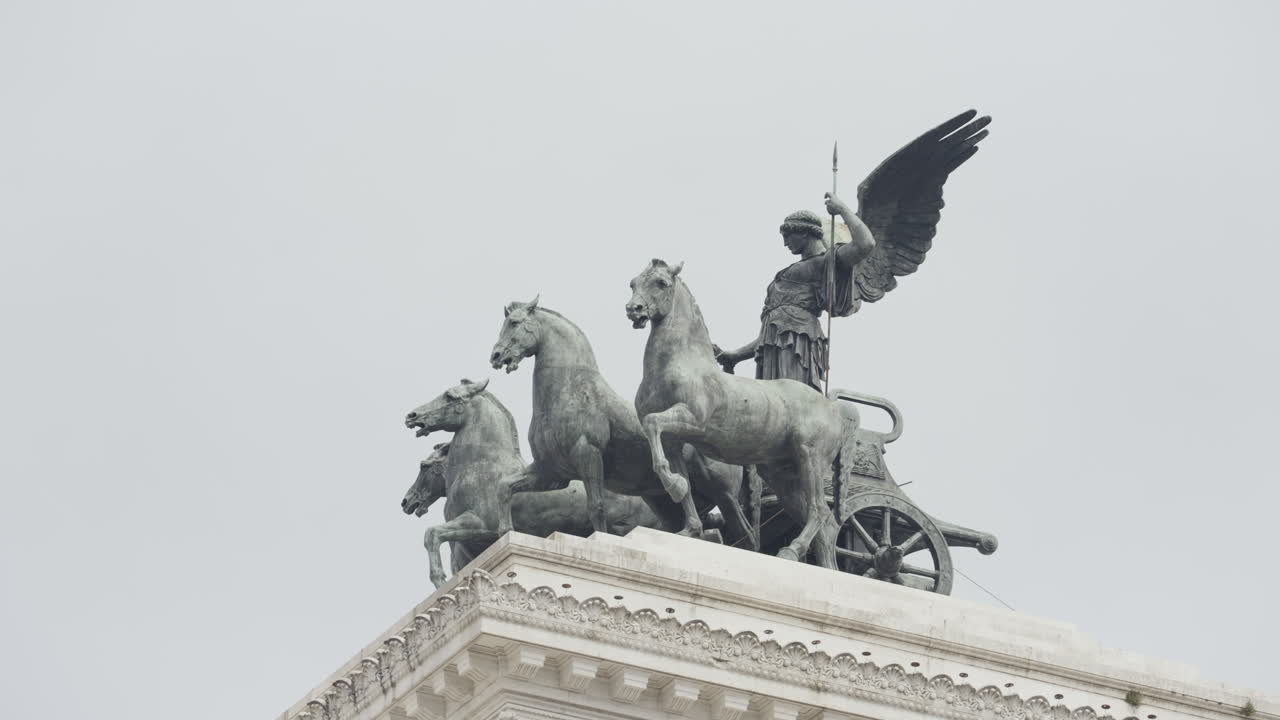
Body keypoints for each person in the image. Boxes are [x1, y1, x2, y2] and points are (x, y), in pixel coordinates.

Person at [715, 192, 875, 393]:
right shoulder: (786, 274)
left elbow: (866, 244)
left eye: (787, 236)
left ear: (804, 233)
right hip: (773, 353)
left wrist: (841, 208)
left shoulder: (825, 262)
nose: (785, 243)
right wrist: (736, 355)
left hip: (798, 345)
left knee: (793, 399)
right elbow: (771, 333)